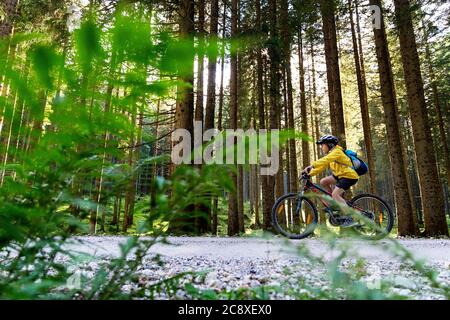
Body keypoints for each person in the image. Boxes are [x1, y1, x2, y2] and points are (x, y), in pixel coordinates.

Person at [302, 135, 359, 227]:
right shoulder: (332, 154)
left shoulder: (337, 152)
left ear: (330, 145)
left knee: (335, 194)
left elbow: (325, 160)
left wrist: (311, 166)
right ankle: (334, 202)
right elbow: (322, 166)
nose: (321, 147)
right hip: (340, 175)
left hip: (349, 176)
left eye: (323, 145)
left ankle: (349, 218)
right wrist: (309, 174)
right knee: (323, 181)